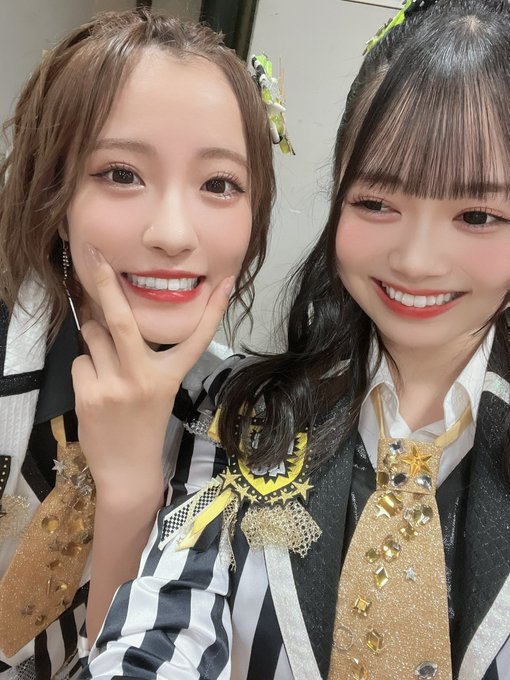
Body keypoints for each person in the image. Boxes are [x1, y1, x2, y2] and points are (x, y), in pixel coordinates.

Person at [86, 0, 510, 678]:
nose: (417, 260)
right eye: (376, 202)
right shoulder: (242, 412)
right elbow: (159, 631)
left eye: (479, 215)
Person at [0, 8, 275, 680]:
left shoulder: (236, 424)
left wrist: (129, 492)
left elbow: (132, 655)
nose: (173, 234)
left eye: (219, 184)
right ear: (54, 193)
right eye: (121, 173)